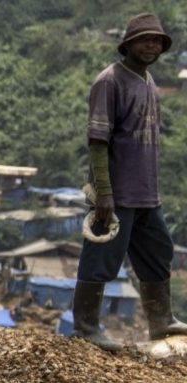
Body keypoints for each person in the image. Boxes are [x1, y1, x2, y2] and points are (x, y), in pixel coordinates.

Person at [74, 13, 187, 350]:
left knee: (158, 251)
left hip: (146, 194)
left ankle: (161, 320)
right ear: (129, 44)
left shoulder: (149, 82)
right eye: (145, 40)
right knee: (102, 257)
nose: (151, 46)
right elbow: (97, 142)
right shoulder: (110, 81)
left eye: (157, 41)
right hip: (117, 193)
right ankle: (85, 326)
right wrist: (104, 192)